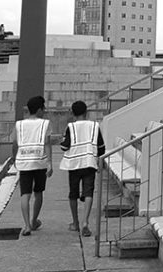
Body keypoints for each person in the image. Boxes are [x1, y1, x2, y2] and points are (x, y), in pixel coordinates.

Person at [60, 100, 106, 237]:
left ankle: (75, 223)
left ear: (73, 113)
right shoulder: (94, 126)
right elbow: (101, 147)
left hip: (74, 163)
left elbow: (64, 146)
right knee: (88, 192)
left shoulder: (71, 127)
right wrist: (99, 161)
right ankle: (85, 221)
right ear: (86, 112)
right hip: (89, 161)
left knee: (73, 193)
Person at [13, 95, 53, 236]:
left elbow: (16, 141)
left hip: (24, 161)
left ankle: (27, 225)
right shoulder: (45, 123)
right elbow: (47, 144)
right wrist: (50, 163)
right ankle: (34, 220)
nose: (44, 110)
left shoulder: (19, 124)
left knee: (25, 194)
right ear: (38, 109)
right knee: (38, 192)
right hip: (39, 161)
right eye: (43, 108)